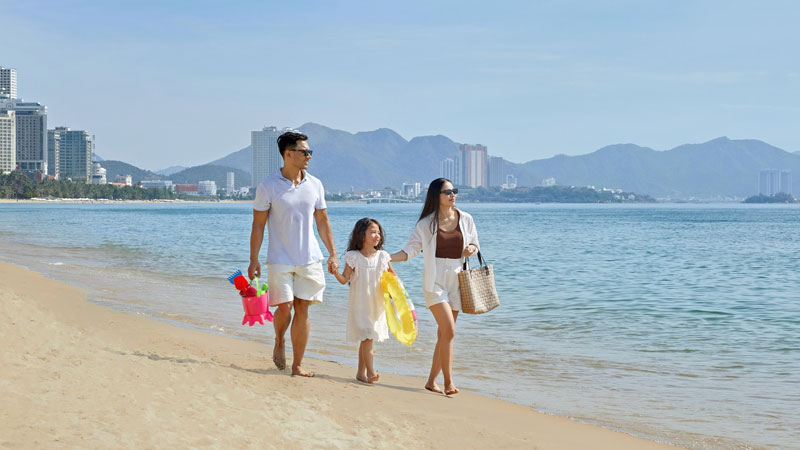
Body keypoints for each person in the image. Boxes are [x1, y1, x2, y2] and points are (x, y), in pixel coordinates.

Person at [248, 130, 338, 377]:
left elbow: (322, 221)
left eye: (309, 151)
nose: (309, 155)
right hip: (279, 258)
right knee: (285, 306)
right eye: (304, 151)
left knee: (303, 308)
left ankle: (298, 365)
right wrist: (253, 259)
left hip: (310, 258)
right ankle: (279, 340)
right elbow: (258, 225)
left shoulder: (316, 184)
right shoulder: (268, 186)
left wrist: (333, 253)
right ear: (288, 154)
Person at [390, 178, 479, 396]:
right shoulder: (425, 224)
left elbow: (476, 244)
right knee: (449, 330)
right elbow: (410, 251)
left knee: (444, 335)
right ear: (436, 196)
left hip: (458, 280)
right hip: (435, 281)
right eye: (447, 192)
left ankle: (431, 381)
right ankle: (449, 383)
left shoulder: (465, 218)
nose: (452, 195)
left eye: (454, 191)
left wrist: (471, 249)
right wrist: (386, 257)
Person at [331, 218, 393, 384]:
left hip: (376, 304)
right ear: (361, 235)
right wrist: (335, 272)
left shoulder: (383, 256)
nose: (377, 236)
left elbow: (393, 279)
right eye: (372, 232)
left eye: (378, 232)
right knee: (367, 337)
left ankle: (360, 373)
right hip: (360, 304)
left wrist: (398, 297)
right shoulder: (353, 257)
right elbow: (344, 279)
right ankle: (371, 371)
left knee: (367, 337)